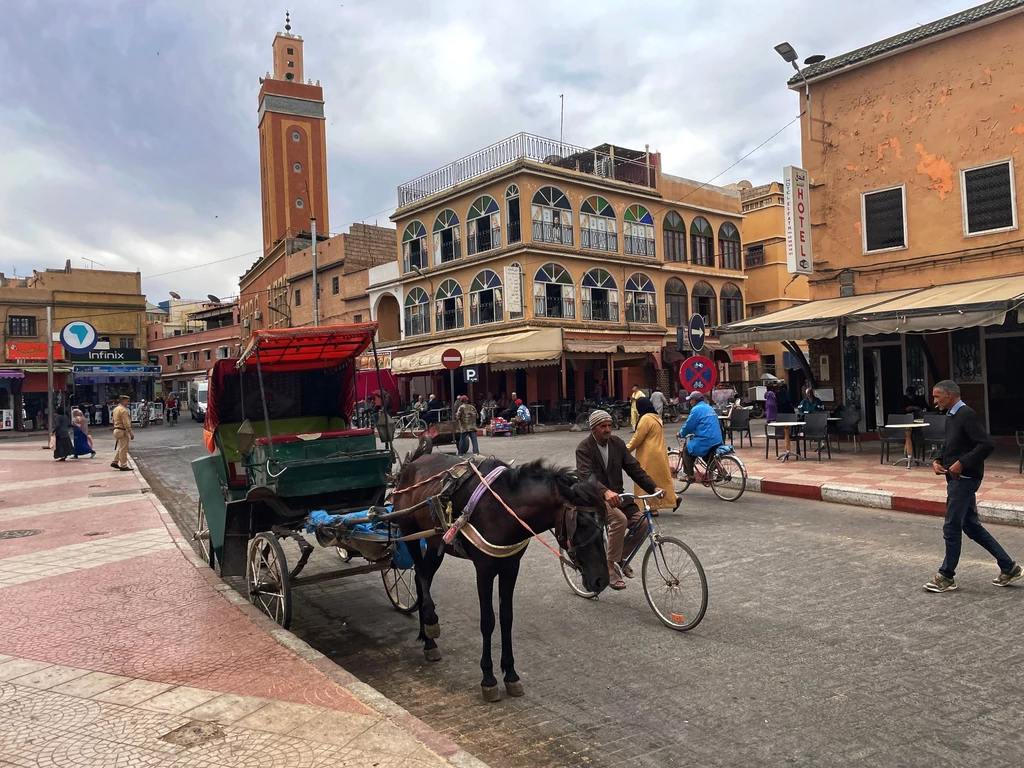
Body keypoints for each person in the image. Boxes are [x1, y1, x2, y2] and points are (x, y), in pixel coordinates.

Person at [924, 380, 1021, 592]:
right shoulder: (951, 416)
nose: (935, 401)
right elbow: (952, 444)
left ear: (949, 395)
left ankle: (946, 576)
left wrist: (962, 463)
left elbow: (986, 444)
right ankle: (1009, 567)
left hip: (966, 479)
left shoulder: (967, 414)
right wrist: (939, 460)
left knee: (951, 525)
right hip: (955, 478)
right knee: (971, 526)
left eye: (937, 396)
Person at [576, 410, 662, 591]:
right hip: (595, 499)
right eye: (603, 426)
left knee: (644, 523)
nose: (608, 429)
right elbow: (587, 477)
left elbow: (634, 469)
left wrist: (653, 488)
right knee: (619, 519)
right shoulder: (584, 448)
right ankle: (609, 568)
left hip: (618, 495)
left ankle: (618, 558)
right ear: (593, 428)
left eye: (609, 425)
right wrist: (605, 492)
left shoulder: (617, 444)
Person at [626, 397, 678, 513]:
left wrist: (624, 450)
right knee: (663, 479)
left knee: (647, 480)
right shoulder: (656, 417)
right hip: (660, 452)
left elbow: (637, 439)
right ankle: (673, 498)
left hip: (648, 455)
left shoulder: (645, 419)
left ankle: (652, 508)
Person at [676, 391, 723, 483]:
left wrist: (681, 434)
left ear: (694, 400)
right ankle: (721, 472)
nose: (690, 402)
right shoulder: (709, 407)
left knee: (687, 450)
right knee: (705, 453)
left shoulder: (696, 409)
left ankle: (690, 476)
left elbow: (689, 426)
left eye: (691, 400)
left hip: (706, 439)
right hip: (717, 438)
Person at [111, 394, 135, 471]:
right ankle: (123, 465)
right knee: (124, 449)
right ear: (123, 401)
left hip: (116, 429)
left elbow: (113, 420)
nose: (128, 402)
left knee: (121, 447)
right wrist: (130, 432)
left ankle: (115, 461)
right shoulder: (124, 410)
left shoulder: (116, 409)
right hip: (122, 430)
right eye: (127, 401)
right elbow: (126, 423)